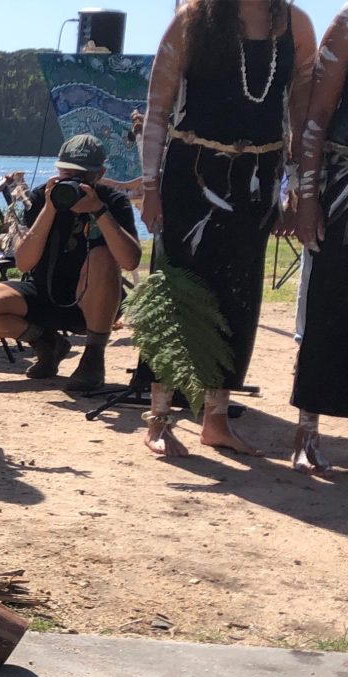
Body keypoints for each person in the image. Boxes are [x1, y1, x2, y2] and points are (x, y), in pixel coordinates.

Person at [139, 0, 315, 457]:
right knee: (178, 291)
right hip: (190, 174)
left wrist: (294, 190)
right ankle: (158, 419)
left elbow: (299, 112)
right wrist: (150, 188)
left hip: (257, 181)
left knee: (236, 296)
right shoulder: (191, 22)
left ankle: (215, 419)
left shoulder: (296, 25)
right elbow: (157, 110)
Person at [0, 134, 140, 390]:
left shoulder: (112, 201)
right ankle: (47, 344)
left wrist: (98, 211)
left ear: (100, 174)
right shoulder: (43, 198)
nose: (72, 183)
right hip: (45, 293)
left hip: (94, 303)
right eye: (67, 175)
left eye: (82, 177)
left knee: (103, 255)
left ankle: (93, 357)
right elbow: (24, 263)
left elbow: (130, 261)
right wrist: (50, 209)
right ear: (57, 170)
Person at [292, 5, 348, 475]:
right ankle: (306, 431)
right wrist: (307, 197)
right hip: (344, 189)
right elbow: (317, 115)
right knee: (328, 305)